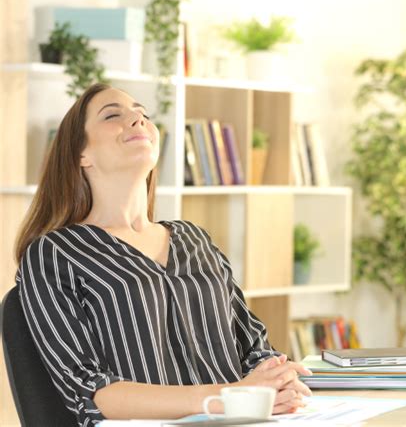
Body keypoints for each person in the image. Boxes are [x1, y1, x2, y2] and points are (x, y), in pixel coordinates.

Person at [14, 83, 312, 426]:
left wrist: (277, 380)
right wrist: (224, 399)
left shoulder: (194, 239)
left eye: (143, 114)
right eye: (113, 115)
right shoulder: (55, 253)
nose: (137, 121)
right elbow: (91, 392)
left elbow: (254, 348)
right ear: (81, 154)